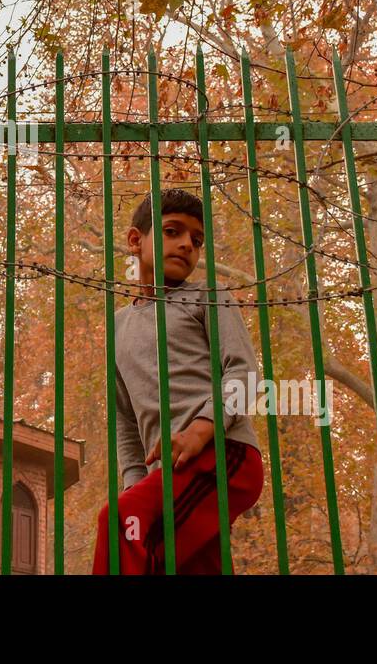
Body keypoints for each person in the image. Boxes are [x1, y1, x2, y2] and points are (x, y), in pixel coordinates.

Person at [92, 188, 264, 574]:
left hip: (222, 454)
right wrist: (135, 483)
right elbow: (126, 418)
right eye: (173, 231)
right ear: (136, 240)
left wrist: (200, 431)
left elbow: (243, 374)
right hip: (171, 475)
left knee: (120, 522)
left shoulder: (209, 296)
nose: (187, 244)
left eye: (197, 240)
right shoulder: (118, 325)